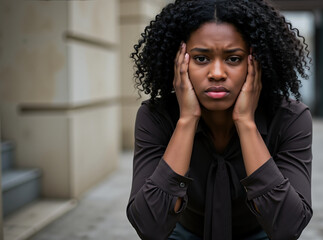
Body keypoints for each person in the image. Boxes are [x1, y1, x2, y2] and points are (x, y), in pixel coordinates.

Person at [126, 0, 313, 239]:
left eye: (233, 58)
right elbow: (150, 227)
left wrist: (246, 123)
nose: (216, 73)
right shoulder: (156, 117)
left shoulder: (290, 119)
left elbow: (288, 228)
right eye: (201, 58)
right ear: (179, 63)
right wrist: (186, 120)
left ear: (255, 62)